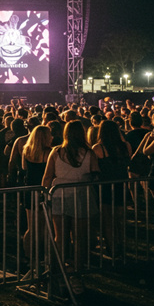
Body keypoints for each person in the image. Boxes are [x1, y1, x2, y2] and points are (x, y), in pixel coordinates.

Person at [42, 120, 99, 294]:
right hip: (81, 194)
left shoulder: (56, 151)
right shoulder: (89, 153)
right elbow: (96, 174)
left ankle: (57, 268)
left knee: (60, 236)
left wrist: (45, 194)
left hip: (58, 194)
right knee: (79, 236)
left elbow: (47, 176)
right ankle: (76, 272)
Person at [92, 119, 131, 257]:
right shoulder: (125, 146)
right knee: (120, 218)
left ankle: (112, 247)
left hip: (105, 185)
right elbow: (128, 161)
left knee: (107, 219)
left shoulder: (98, 148)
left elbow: (94, 168)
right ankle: (121, 244)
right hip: (121, 183)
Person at [20, 125, 53, 272]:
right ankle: (44, 257)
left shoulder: (27, 150)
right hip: (44, 191)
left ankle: (29, 257)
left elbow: (24, 168)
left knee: (31, 227)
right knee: (46, 225)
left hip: (30, 190)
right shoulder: (49, 153)